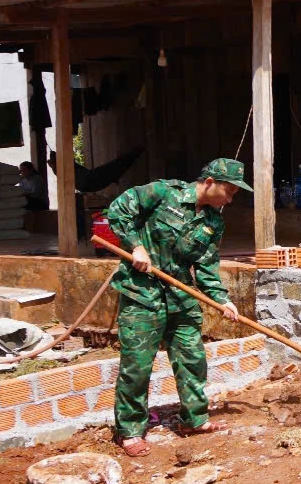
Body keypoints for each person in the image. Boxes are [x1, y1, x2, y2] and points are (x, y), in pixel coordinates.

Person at [106, 158, 247, 457]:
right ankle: (129, 430)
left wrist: (221, 299)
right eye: (230, 191)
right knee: (137, 366)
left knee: (193, 359)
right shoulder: (161, 192)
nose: (231, 199)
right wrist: (135, 246)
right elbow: (118, 210)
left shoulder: (213, 222)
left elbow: (207, 266)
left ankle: (194, 419)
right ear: (209, 182)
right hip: (142, 294)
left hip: (181, 298)